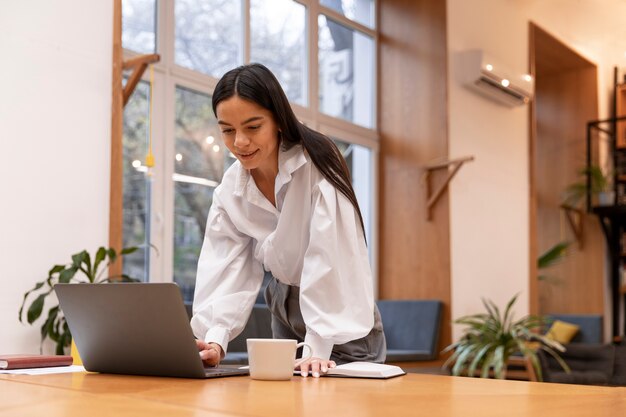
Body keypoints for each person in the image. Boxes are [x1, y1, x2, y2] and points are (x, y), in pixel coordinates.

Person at [190, 63, 385, 378]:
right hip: (283, 305)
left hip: (339, 312)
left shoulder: (317, 163)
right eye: (227, 129)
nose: (239, 141)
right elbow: (228, 267)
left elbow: (329, 257)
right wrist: (215, 340)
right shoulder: (231, 190)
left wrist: (318, 346)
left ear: (278, 120)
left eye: (253, 127)